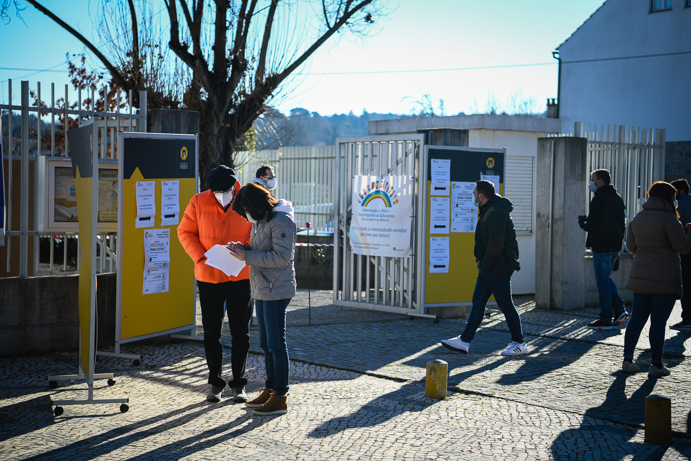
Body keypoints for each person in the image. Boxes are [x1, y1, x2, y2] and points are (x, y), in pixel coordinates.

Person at [177, 165, 252, 403]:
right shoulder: (198, 201)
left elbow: (258, 231)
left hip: (241, 275)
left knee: (241, 332)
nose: (222, 194)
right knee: (212, 332)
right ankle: (215, 383)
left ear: (234, 186)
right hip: (209, 275)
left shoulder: (246, 200)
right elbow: (185, 232)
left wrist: (246, 250)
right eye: (217, 191)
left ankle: (239, 384)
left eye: (226, 190)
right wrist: (200, 256)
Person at [228, 182, 296, 415]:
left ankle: (281, 395)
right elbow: (261, 249)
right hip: (262, 286)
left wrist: (248, 255)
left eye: (246, 209)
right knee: (267, 344)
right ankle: (271, 388)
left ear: (256, 205)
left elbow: (281, 257)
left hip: (276, 289)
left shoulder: (281, 220)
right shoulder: (260, 221)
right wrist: (243, 249)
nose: (246, 215)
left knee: (277, 345)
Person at [441, 180, 528, 356]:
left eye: (474, 194)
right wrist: (482, 261)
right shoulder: (489, 210)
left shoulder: (496, 212)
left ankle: (519, 343)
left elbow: (496, 243)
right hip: (490, 266)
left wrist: (485, 264)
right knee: (478, 303)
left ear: (481, 196)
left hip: (497, 267)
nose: (473, 196)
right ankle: (464, 341)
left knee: (505, 304)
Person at [622, 181, 691, 377]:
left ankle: (627, 360)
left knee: (636, 319)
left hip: (640, 276)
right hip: (664, 278)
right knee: (658, 322)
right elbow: (682, 247)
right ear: (669, 198)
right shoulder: (670, 219)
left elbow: (632, 248)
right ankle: (656, 365)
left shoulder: (638, 217)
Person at [578, 169, 628, 329]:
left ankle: (606, 318)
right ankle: (620, 310)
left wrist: (583, 223)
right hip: (615, 246)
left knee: (602, 283)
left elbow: (593, 225)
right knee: (606, 279)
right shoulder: (617, 198)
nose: (591, 183)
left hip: (602, 246)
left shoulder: (599, 199)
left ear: (600, 182)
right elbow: (620, 222)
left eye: (592, 180)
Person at [670, 178, 691, 330]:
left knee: (687, 285)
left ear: (681, 191)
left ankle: (687, 318)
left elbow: (677, 231)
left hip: (686, 250)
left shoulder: (680, 205)